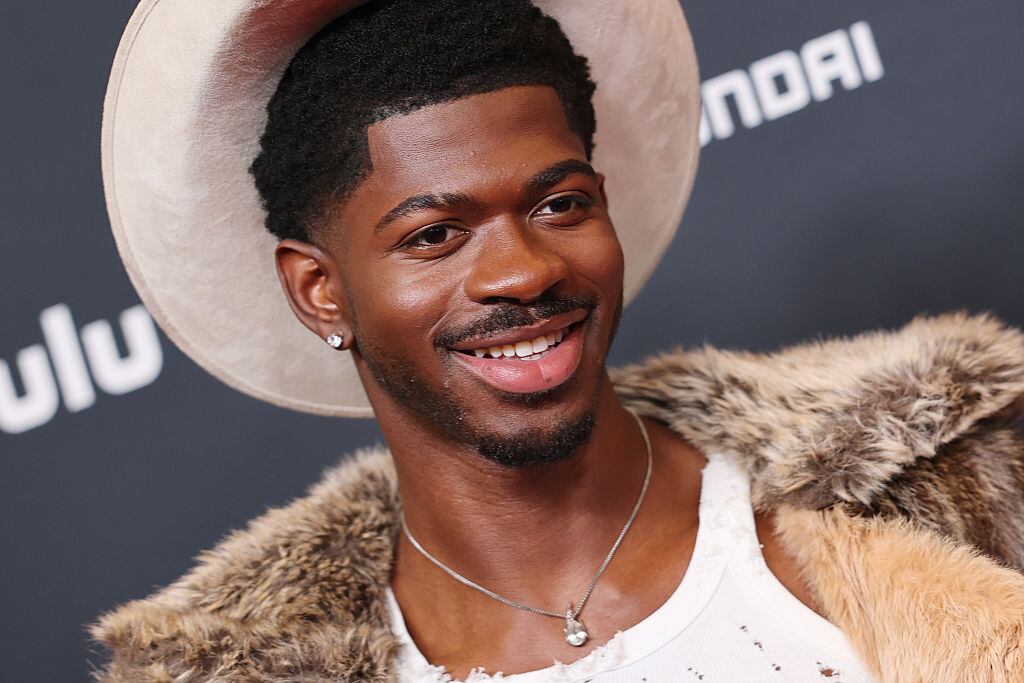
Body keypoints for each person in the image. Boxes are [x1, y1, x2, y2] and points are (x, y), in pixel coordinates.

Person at [91, 0, 1024, 681]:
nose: (524, 271)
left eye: (559, 204)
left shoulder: (943, 485)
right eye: (435, 234)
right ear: (321, 290)